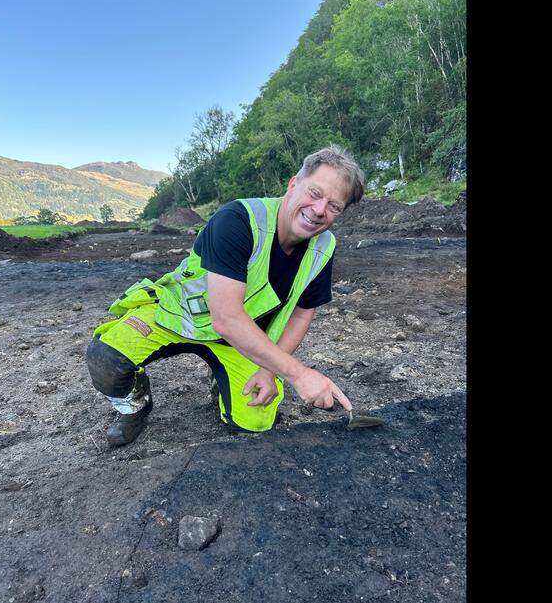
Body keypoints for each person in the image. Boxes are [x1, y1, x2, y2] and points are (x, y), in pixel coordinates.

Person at [86, 145, 365, 447]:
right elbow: (227, 318)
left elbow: (301, 313)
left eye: (334, 206)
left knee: (256, 422)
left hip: (242, 342)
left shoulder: (324, 246)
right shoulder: (238, 219)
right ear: (293, 184)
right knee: (107, 356)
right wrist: (298, 374)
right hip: (177, 314)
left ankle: (222, 384)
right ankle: (135, 404)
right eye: (314, 192)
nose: (320, 209)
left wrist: (269, 369)